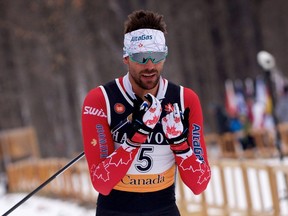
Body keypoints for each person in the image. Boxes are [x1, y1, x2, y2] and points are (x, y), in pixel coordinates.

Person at [81, 10, 211, 216]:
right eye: (141, 57)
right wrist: (136, 137)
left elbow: (200, 184)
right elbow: (101, 183)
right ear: (126, 57)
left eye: (157, 56)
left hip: (163, 208)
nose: (150, 66)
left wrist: (179, 144)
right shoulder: (100, 99)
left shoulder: (185, 100)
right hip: (115, 210)